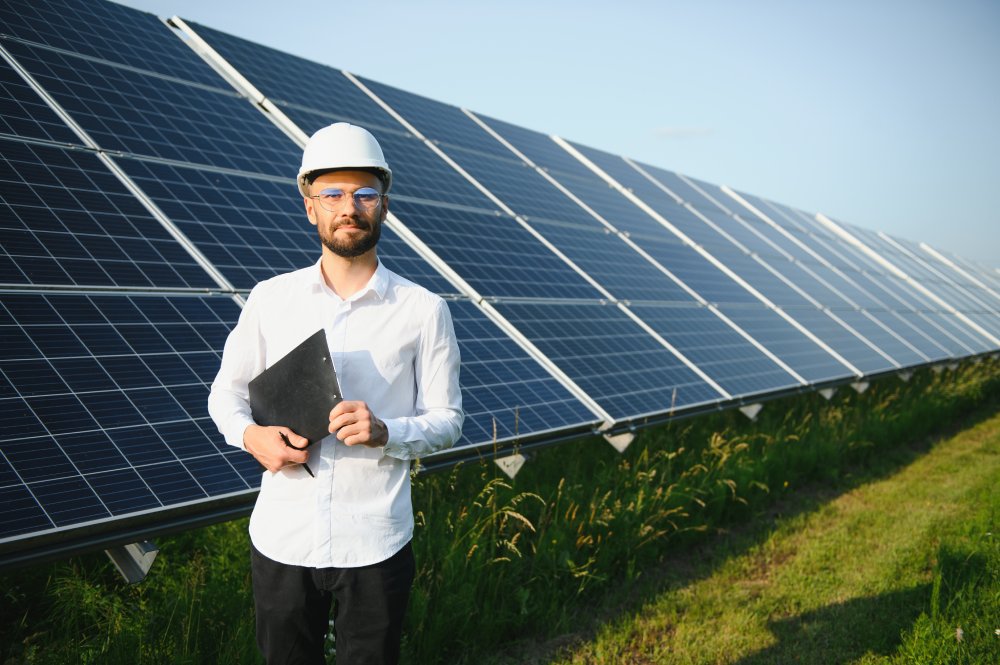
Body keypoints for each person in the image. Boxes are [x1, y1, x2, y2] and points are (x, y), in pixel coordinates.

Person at [208, 122, 463, 664]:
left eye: (365, 193)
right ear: (311, 208)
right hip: (283, 536)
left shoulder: (422, 311)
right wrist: (251, 435)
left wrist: (386, 433)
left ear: (384, 207)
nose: (350, 206)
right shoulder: (270, 299)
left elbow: (448, 420)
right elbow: (224, 395)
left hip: (376, 541)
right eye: (333, 194)